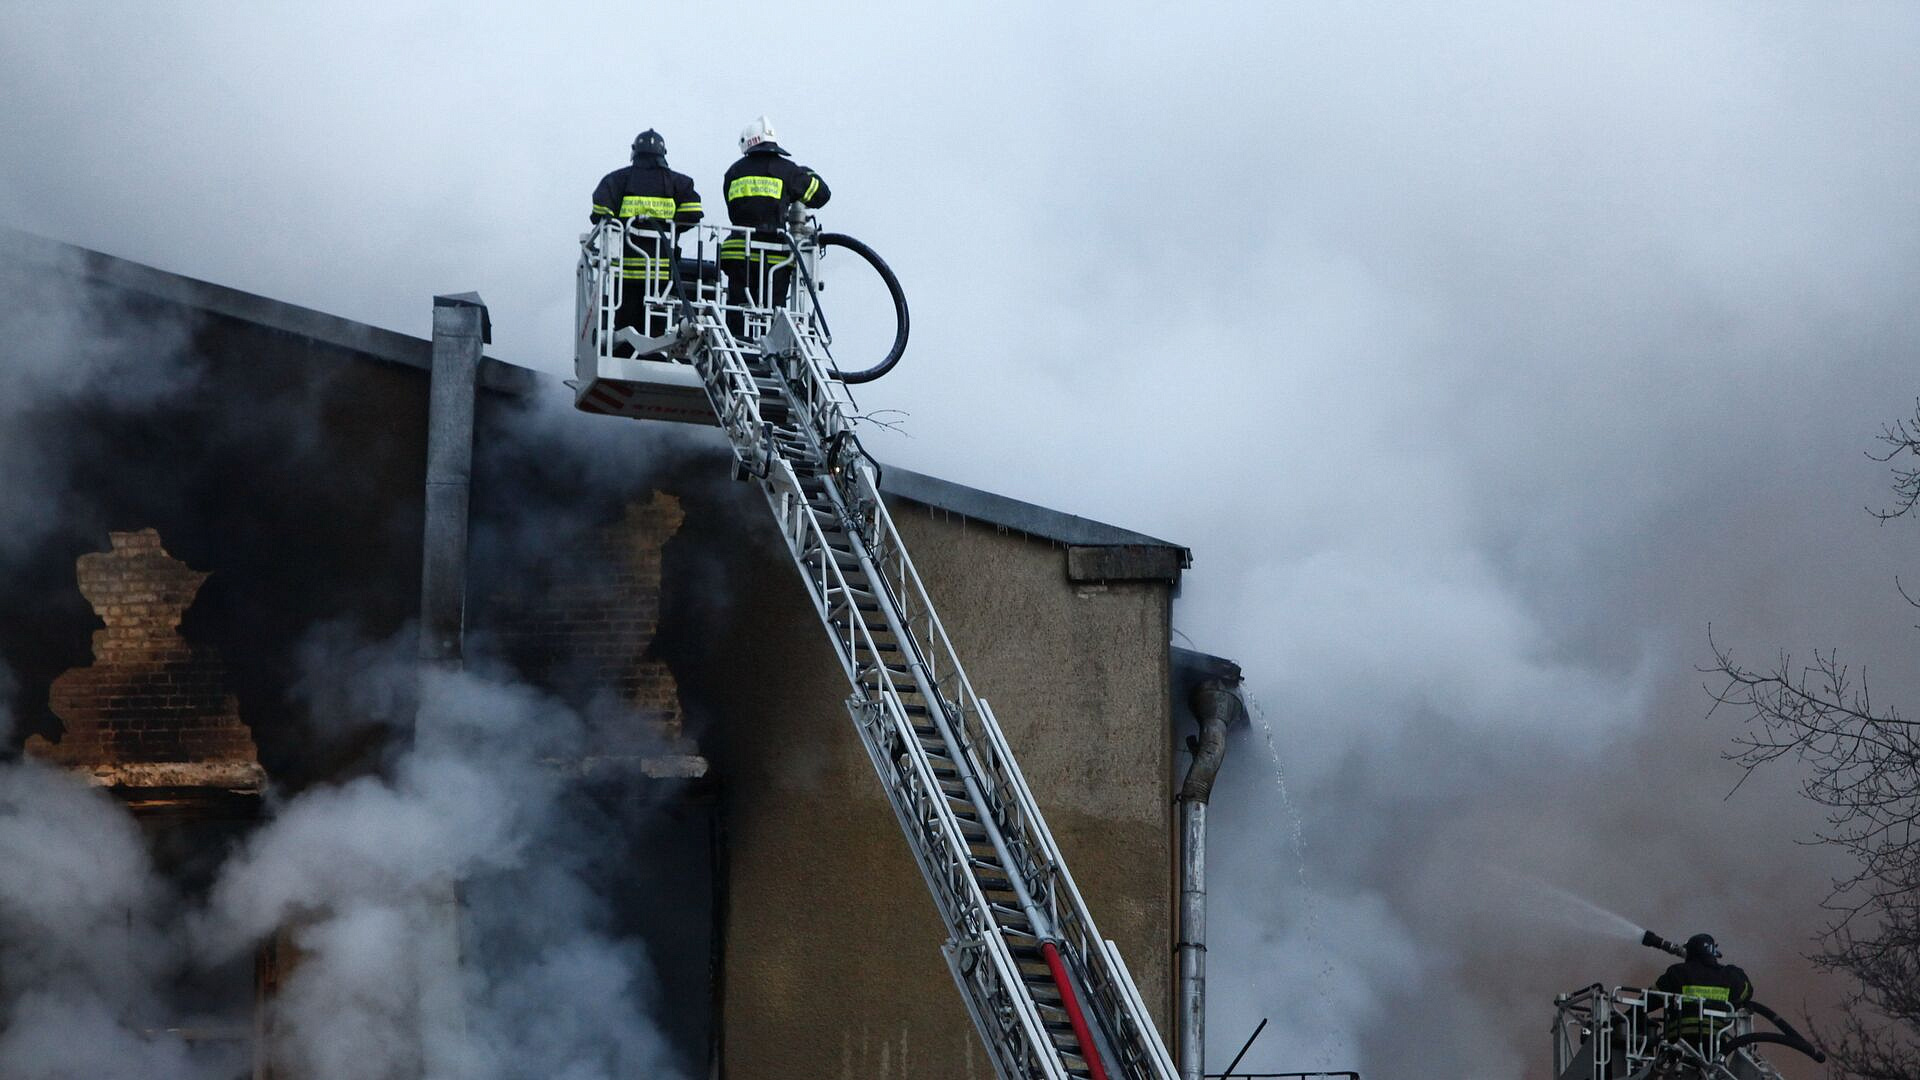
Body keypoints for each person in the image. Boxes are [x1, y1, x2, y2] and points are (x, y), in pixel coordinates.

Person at [590, 129, 703, 349]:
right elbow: (693, 213)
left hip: (624, 271)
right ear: (663, 153)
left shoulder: (616, 180)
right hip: (661, 273)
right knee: (657, 328)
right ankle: (655, 358)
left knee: (624, 325)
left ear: (634, 153)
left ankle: (624, 357)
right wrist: (671, 227)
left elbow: (599, 213)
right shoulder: (679, 183)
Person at [720, 116, 831, 321]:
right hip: (774, 255)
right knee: (772, 316)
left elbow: (732, 209)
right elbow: (821, 195)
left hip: (738, 251)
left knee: (737, 313)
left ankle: (737, 342)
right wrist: (807, 173)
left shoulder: (733, 172)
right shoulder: (787, 171)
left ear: (746, 144)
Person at [1653, 934, 1754, 1048]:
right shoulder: (1729, 975)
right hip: (1714, 1045)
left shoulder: (1678, 972)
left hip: (1678, 1042)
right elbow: (1746, 992)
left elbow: (1651, 998)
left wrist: (1633, 1015)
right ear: (1714, 952)